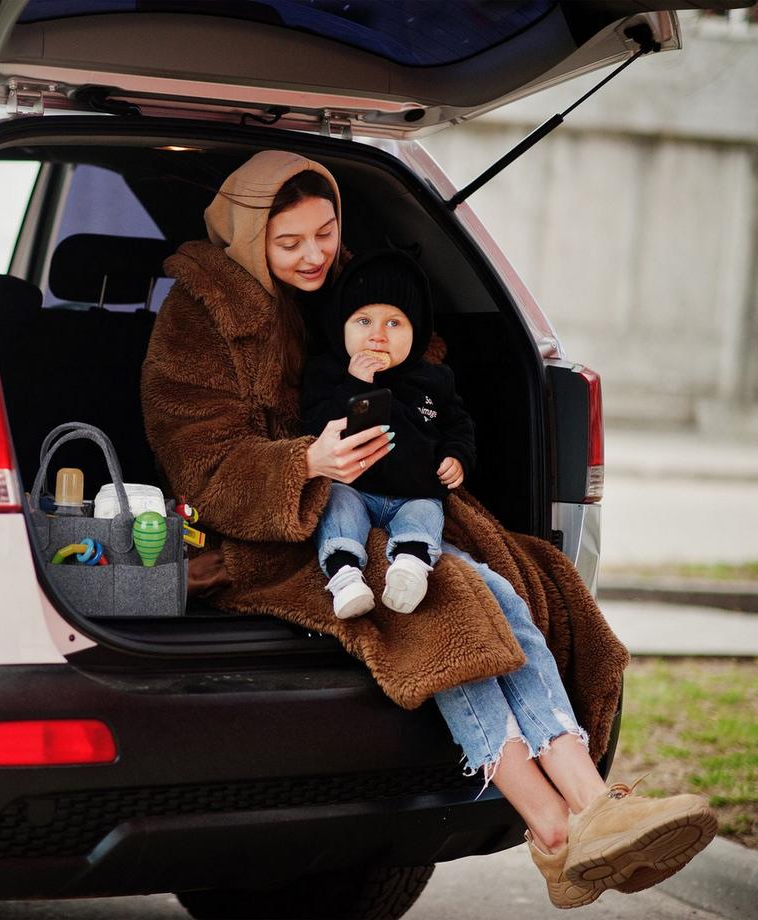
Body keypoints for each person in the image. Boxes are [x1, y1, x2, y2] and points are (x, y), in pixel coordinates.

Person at [141, 149, 717, 909]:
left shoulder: (361, 286)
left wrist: (396, 371)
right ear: (249, 240)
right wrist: (305, 460)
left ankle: (584, 811)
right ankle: (559, 823)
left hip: (395, 500)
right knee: (450, 595)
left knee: (519, 587)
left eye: (325, 232)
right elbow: (197, 461)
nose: (314, 255)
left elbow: (428, 389)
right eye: (290, 244)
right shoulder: (199, 314)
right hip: (274, 535)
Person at [301, 248, 476, 619]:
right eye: (363, 322)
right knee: (335, 505)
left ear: (417, 332)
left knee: (428, 512)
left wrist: (457, 455)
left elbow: (457, 423)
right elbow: (315, 426)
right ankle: (345, 575)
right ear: (340, 327)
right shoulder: (327, 374)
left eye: (394, 324)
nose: (378, 336)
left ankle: (410, 567)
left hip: (415, 491)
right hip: (355, 487)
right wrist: (354, 383)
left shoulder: (433, 378)